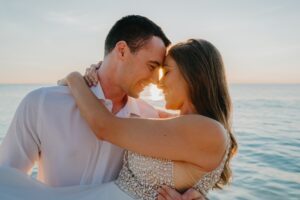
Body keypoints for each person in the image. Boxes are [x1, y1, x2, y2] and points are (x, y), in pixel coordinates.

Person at [0, 38, 237, 200]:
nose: (159, 81)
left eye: (167, 71)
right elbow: (134, 112)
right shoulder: (176, 124)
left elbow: (105, 126)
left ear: (194, 75)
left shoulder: (208, 131)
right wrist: (101, 75)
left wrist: (74, 79)